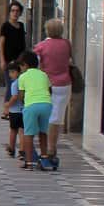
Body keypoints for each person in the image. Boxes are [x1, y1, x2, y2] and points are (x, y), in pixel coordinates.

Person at [31, 19, 75, 165]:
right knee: (57, 117)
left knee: (43, 115)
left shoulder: (41, 46)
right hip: (64, 84)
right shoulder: (66, 44)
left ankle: (43, 149)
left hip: (47, 84)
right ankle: (52, 148)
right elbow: (69, 60)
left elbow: (34, 65)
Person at [14, 53, 55, 170]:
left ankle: (29, 162)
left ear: (25, 65)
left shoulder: (22, 77)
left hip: (31, 105)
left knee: (29, 134)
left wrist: (24, 104)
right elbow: (49, 90)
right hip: (46, 105)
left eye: (21, 66)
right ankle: (44, 158)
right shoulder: (44, 74)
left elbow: (21, 95)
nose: (20, 69)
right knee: (43, 132)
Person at [3, 57, 26, 159]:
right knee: (22, 131)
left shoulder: (14, 84)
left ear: (18, 71)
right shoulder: (23, 81)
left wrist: (8, 104)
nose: (10, 74)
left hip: (14, 111)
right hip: (23, 110)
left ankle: (12, 149)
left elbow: (15, 96)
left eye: (12, 72)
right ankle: (22, 151)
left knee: (13, 130)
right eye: (9, 72)